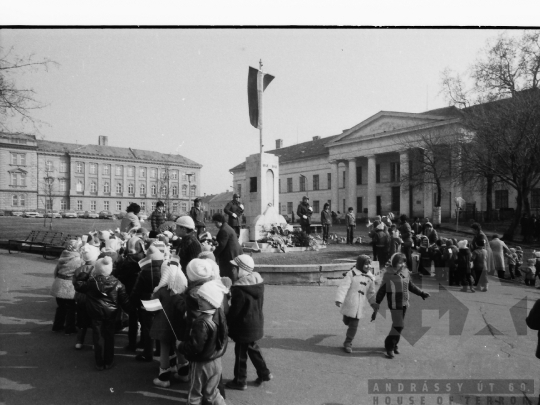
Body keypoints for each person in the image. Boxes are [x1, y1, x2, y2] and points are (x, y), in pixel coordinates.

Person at [176, 281, 228, 405]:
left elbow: (195, 347)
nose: (199, 300)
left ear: (211, 301)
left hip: (202, 364)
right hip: (216, 361)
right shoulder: (220, 315)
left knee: (195, 392)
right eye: (199, 297)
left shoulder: (201, 322)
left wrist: (180, 346)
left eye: (203, 299)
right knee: (212, 391)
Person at [75, 256, 131, 370]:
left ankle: (99, 362)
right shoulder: (118, 283)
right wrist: (132, 311)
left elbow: (78, 285)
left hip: (95, 313)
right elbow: (124, 301)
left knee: (98, 336)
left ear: (97, 269)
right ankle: (108, 361)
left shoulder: (91, 282)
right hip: (111, 313)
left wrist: (85, 274)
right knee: (109, 336)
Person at [226, 255, 273, 390]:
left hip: (243, 326)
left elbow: (235, 311)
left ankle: (240, 380)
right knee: (253, 349)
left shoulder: (239, 289)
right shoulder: (257, 283)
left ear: (242, 270)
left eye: (234, 269)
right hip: (255, 323)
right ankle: (264, 373)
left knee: (241, 353)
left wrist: (227, 321)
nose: (232, 272)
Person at [373, 253, 430, 359]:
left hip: (404, 303)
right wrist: (377, 303)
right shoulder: (388, 274)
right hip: (394, 303)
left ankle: (394, 344)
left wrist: (421, 293)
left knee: (397, 325)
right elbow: (382, 290)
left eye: (403, 262)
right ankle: (389, 346)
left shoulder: (405, 272)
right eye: (400, 262)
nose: (402, 264)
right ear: (394, 263)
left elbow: (410, 286)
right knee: (399, 325)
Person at [150, 258, 189, 387]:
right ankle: (184, 373)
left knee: (164, 350)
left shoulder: (161, 290)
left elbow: (152, 309)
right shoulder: (184, 289)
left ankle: (164, 377)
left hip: (164, 326)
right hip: (180, 325)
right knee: (179, 348)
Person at [335, 255, 378, 354]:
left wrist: (374, 303)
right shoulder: (351, 274)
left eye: (369, 264)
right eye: (365, 264)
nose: (368, 266)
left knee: (354, 324)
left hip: (360, 305)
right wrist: (339, 299)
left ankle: (348, 342)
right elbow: (343, 287)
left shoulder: (370, 278)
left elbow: (371, 292)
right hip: (350, 302)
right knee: (347, 321)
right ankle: (346, 318)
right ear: (360, 264)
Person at [131, 245, 164, 362]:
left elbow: (137, 290)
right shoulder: (165, 268)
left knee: (148, 327)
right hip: (162, 299)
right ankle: (160, 350)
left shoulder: (145, 271)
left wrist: (132, 303)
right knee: (160, 325)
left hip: (149, 300)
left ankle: (147, 352)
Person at [50, 239, 84, 335]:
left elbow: (56, 272)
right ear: (77, 248)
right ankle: (70, 329)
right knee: (71, 308)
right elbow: (80, 274)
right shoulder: (79, 260)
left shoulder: (62, 257)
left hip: (59, 283)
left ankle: (57, 326)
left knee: (61, 307)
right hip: (70, 285)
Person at [72, 244, 100, 349]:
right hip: (92, 298)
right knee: (94, 321)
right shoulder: (96, 269)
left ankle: (79, 341)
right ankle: (94, 343)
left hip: (80, 297)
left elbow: (74, 283)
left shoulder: (78, 269)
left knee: (81, 320)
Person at [212, 213, 243, 280]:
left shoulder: (224, 230)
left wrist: (212, 255)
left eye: (216, 222)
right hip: (234, 253)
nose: (215, 224)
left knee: (228, 274)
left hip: (230, 255)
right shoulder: (226, 227)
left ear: (220, 221)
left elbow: (221, 246)